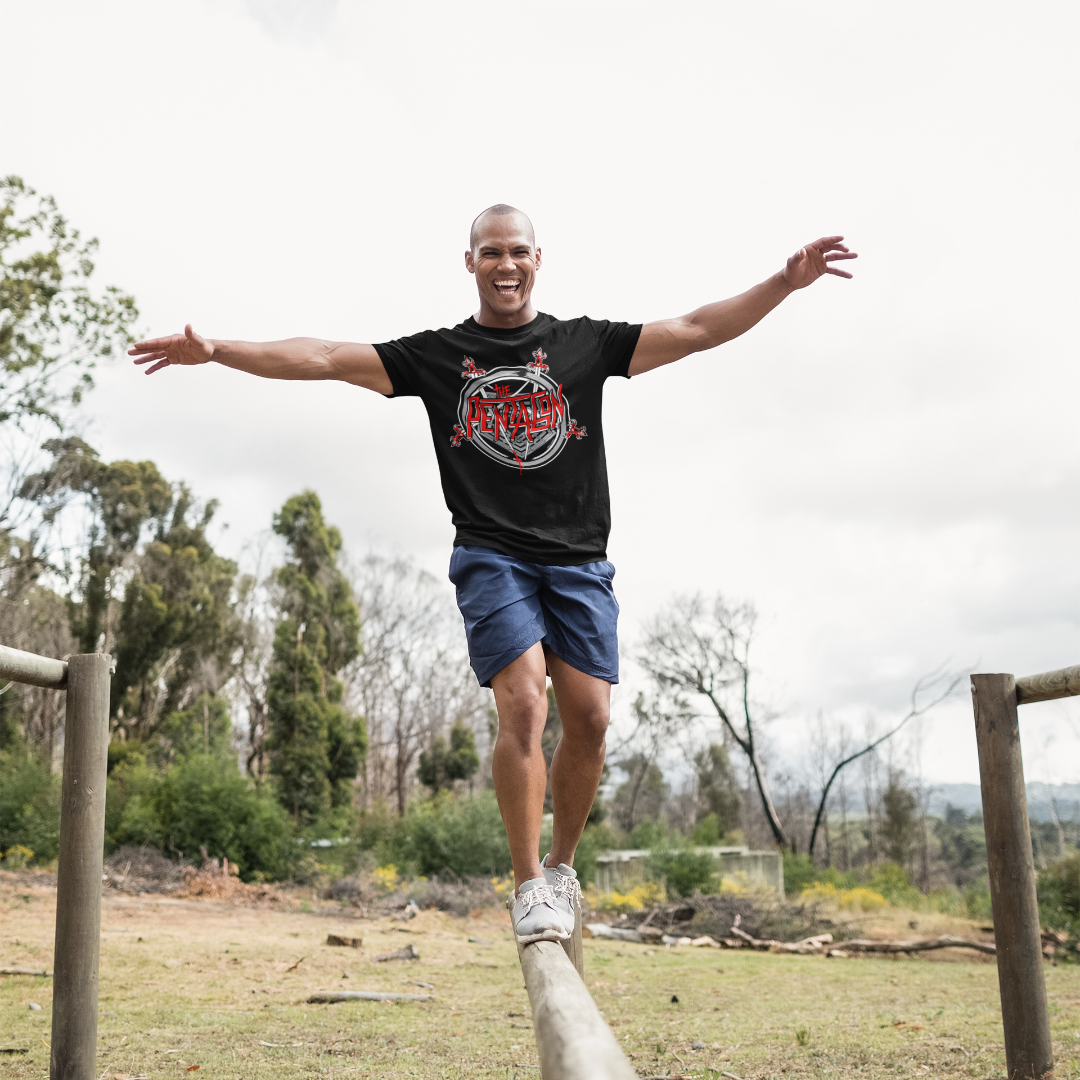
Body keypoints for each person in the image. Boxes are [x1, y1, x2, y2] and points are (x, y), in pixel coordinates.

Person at [130, 204, 856, 943]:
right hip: (492, 555)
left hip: (579, 558)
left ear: (538, 259)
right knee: (525, 705)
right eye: (490, 252)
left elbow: (696, 329)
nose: (505, 265)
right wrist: (216, 350)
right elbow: (322, 356)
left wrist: (783, 282)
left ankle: (562, 867)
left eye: (517, 252)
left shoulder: (584, 344)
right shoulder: (438, 356)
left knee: (591, 719)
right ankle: (528, 885)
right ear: (469, 261)